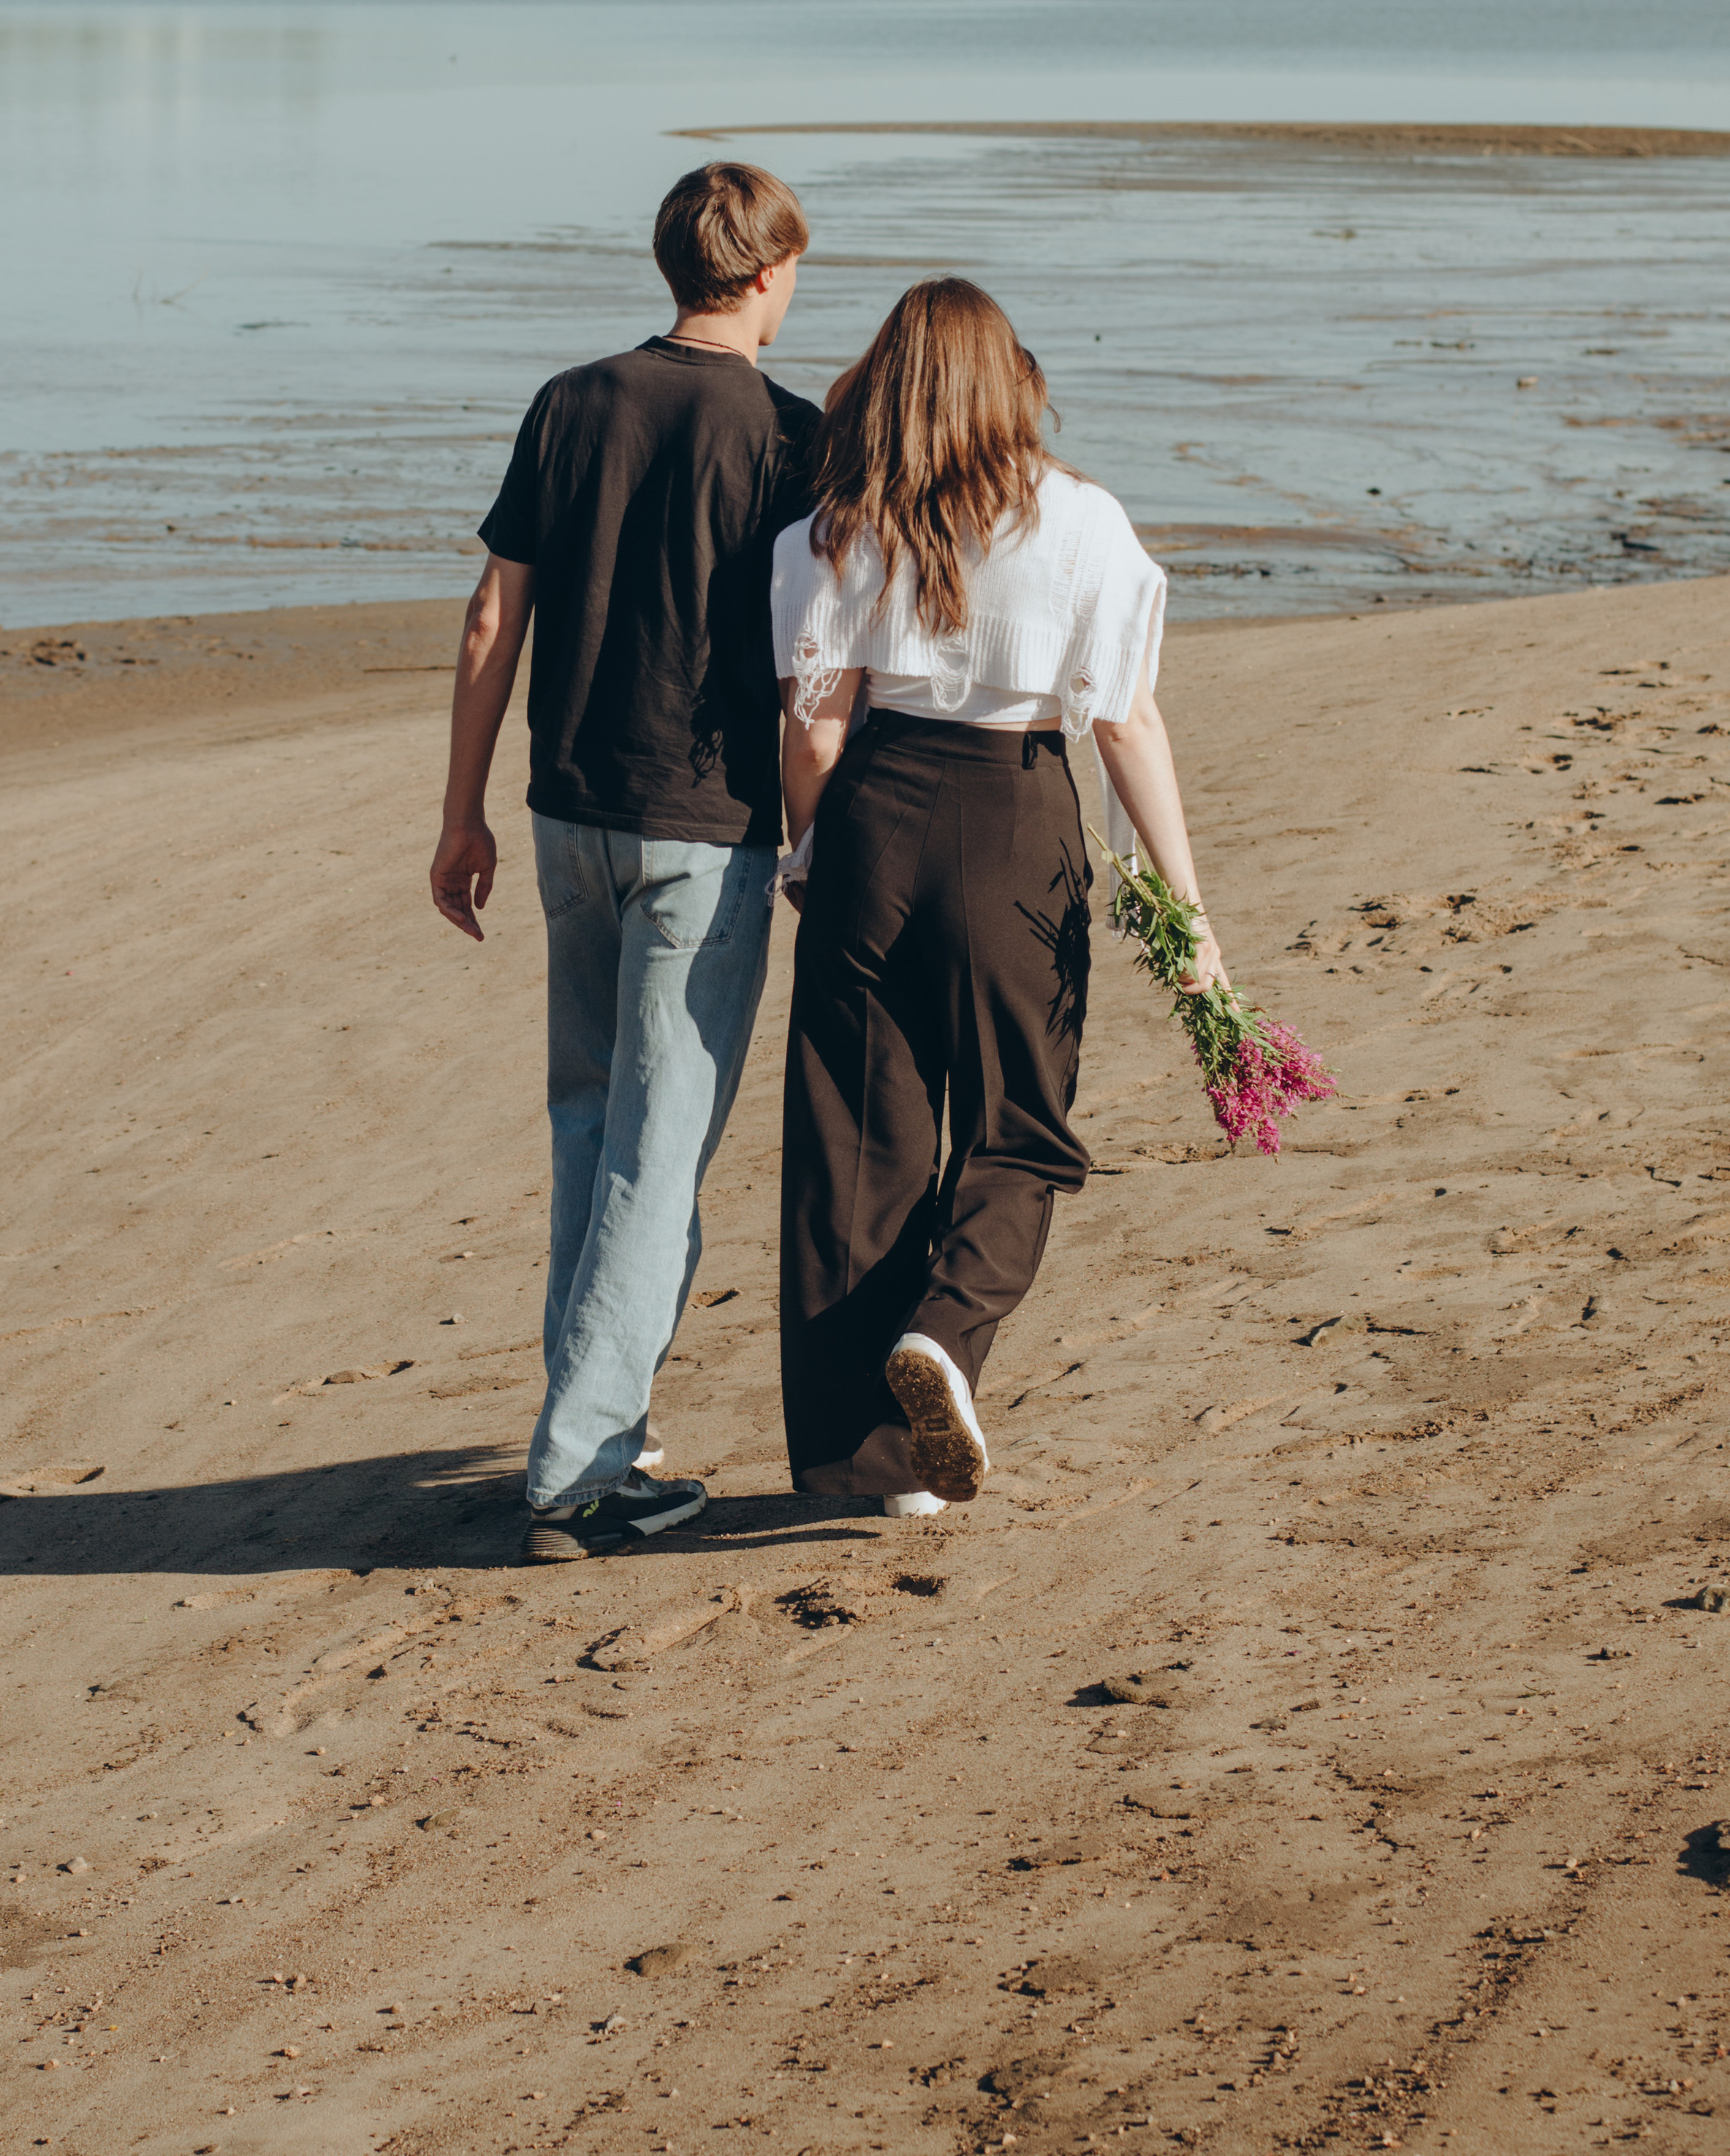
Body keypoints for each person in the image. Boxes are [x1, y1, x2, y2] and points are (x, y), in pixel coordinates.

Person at [771, 278, 1225, 1514]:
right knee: (1021, 1120)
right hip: (1016, 814)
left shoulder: (840, 525)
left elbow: (814, 728)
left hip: (873, 811)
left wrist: (810, 857)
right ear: (1012, 382)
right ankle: (948, 1330)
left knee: (857, 1141)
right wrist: (1185, 914)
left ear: (888, 382)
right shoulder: (1082, 521)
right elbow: (1125, 724)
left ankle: (871, 1468)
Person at [430, 162, 819, 1565]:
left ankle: (596, 1422)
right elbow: (815, 660)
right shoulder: (790, 435)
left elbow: (493, 618)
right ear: (767, 274)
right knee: (657, 1154)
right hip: (704, 824)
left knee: (591, 1127)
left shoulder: (571, 401)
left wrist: (461, 810)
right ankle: (581, 1469)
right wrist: (823, 830)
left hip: (567, 811)